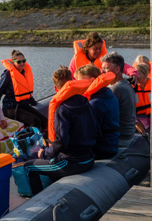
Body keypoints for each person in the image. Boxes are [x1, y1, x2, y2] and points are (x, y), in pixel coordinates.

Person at [24, 67, 98, 195]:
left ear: (56, 89)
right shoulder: (85, 102)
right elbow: (97, 130)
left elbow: (62, 142)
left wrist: (44, 154)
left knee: (29, 167)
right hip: (89, 158)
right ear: (72, 83)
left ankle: (38, 200)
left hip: (73, 162)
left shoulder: (63, 109)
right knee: (52, 158)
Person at [75, 64, 119, 159]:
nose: (79, 85)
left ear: (92, 81)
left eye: (81, 82)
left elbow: (89, 133)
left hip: (102, 149)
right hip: (112, 144)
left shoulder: (95, 103)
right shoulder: (108, 93)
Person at [0, 50, 47, 130]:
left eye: (23, 61)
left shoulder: (25, 72)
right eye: (19, 62)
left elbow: (26, 92)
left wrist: (33, 102)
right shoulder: (7, 74)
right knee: (36, 122)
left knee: (44, 121)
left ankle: (43, 140)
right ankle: (29, 141)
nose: (22, 63)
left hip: (24, 105)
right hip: (11, 108)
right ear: (13, 62)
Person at [100, 52, 136, 147]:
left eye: (106, 68)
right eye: (102, 68)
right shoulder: (125, 84)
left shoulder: (116, 89)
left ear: (117, 69)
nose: (102, 71)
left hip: (121, 138)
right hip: (128, 134)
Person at [128, 62, 151, 133]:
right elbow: (126, 109)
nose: (134, 76)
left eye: (137, 74)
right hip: (135, 119)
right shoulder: (130, 88)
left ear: (145, 75)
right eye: (133, 74)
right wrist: (136, 122)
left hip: (151, 118)